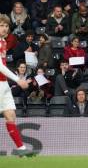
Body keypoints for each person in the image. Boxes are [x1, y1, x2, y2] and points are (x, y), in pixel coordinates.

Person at [0, 15, 37, 157]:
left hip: (3, 85)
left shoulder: (3, 42)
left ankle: (21, 149)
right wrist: (17, 79)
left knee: (11, 115)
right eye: (2, 25)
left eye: (6, 26)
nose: (5, 29)